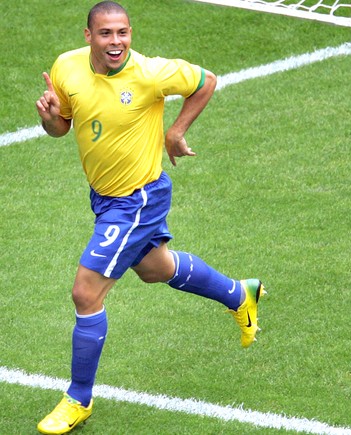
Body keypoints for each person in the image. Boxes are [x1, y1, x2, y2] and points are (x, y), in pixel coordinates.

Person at [34, 2, 266, 434]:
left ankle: (78, 399)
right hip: (104, 198)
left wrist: (175, 132)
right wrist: (49, 119)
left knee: (86, 293)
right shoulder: (66, 67)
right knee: (156, 269)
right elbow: (63, 125)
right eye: (105, 34)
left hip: (137, 199)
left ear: (131, 34)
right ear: (88, 37)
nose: (116, 42)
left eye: (122, 33)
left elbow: (205, 81)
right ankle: (240, 294)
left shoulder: (151, 73)